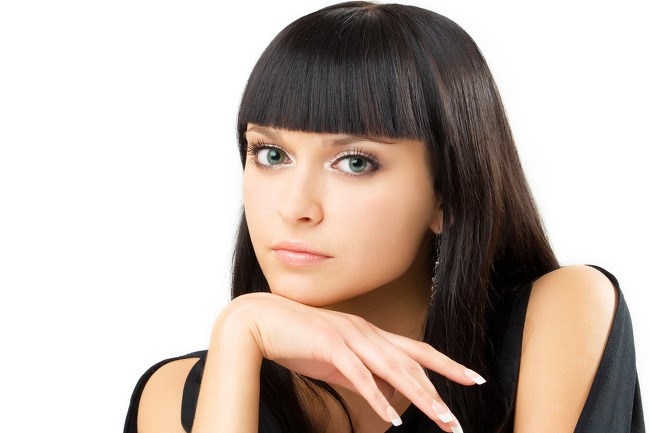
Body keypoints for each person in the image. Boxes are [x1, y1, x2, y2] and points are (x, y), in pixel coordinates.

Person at [123, 2, 645, 432]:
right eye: (271, 154)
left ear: (448, 193)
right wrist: (241, 330)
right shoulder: (175, 395)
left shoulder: (556, 317)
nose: (294, 207)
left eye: (354, 162)